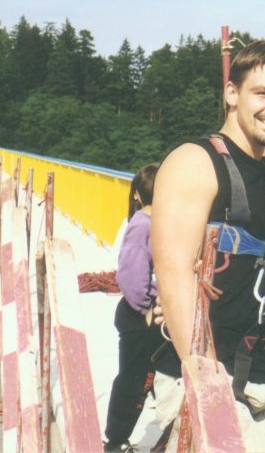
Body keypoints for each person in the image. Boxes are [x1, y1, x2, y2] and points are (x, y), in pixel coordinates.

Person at [150, 40, 265, 451]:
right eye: (264, 93)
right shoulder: (195, 162)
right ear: (232, 93)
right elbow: (174, 274)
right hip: (210, 378)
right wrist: (206, 384)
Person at [104, 163, 163, 453]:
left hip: (149, 312)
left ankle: (121, 437)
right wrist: (146, 309)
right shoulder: (142, 225)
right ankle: (115, 440)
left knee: (146, 378)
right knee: (135, 380)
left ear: (137, 194)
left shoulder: (157, 222)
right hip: (140, 315)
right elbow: (129, 276)